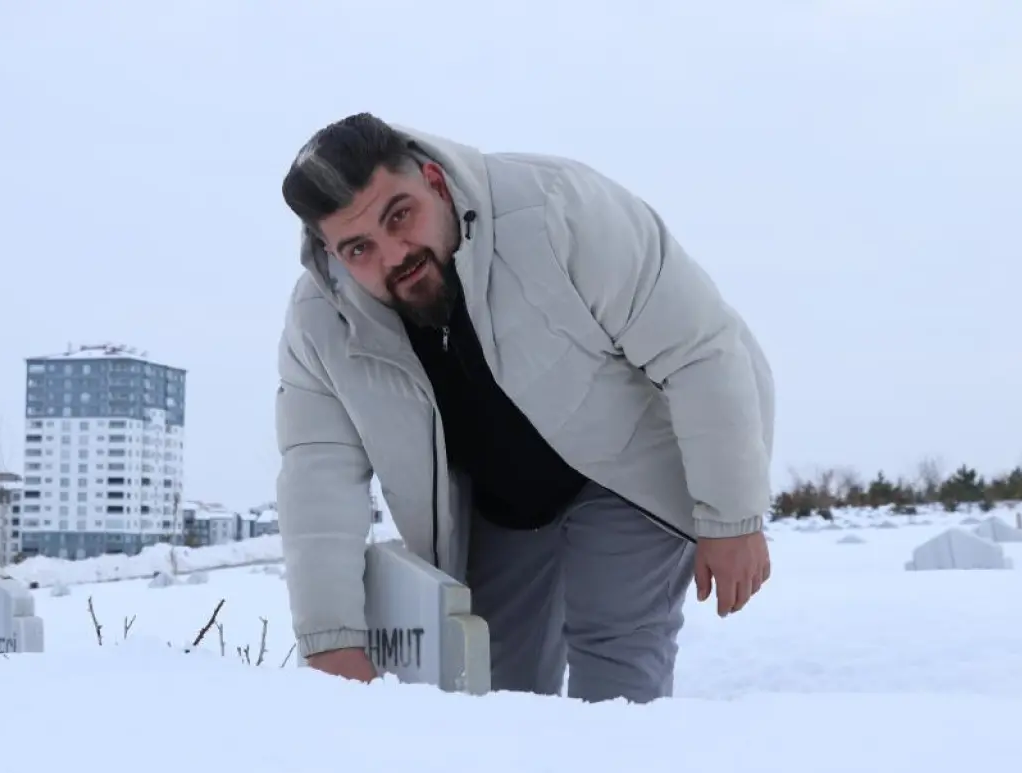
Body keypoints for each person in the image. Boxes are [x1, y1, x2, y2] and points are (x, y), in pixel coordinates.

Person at [274, 113, 775, 703]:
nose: (394, 255)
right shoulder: (321, 324)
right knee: (490, 688)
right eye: (359, 248)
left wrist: (732, 517)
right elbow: (317, 471)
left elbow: (699, 352)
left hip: (631, 466)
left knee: (613, 670)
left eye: (399, 215)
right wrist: (331, 639)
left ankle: (618, 763)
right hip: (501, 504)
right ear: (329, 252)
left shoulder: (557, 211)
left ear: (434, 181)